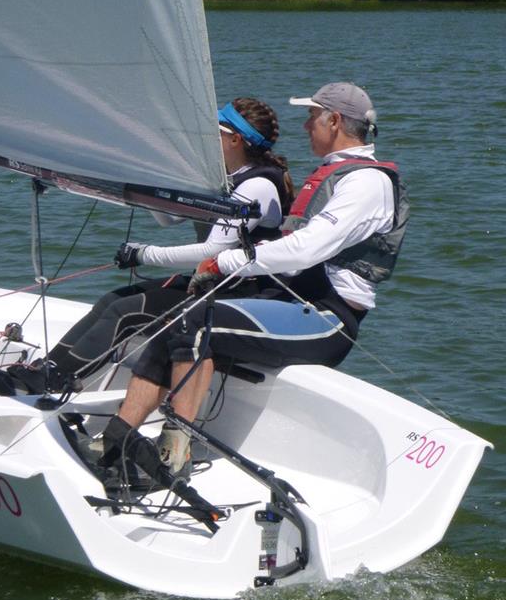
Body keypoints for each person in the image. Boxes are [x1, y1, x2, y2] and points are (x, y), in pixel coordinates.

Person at [100, 81, 409, 481]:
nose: (305, 126)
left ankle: (173, 455)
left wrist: (224, 262)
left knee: (198, 325)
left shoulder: (366, 182)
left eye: (312, 117)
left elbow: (304, 250)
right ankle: (117, 440)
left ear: (334, 121)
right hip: (291, 304)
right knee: (179, 319)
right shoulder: (340, 174)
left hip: (327, 319)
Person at [0, 97, 294, 396]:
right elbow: (169, 220)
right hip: (212, 283)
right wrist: (150, 175)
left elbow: (213, 252)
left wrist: (143, 254)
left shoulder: (257, 185)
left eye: (215, 133)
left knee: (125, 311)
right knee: (112, 298)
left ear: (235, 139)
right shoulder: (228, 179)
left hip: (241, 292)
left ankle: (54, 380)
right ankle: (43, 371)